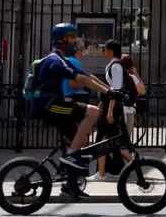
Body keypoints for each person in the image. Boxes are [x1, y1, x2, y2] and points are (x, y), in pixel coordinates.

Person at [30, 24, 110, 194]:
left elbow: (88, 76)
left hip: (55, 104)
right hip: (50, 106)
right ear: (62, 39)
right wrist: (106, 91)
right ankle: (71, 154)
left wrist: (111, 90)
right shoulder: (54, 61)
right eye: (72, 37)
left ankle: (70, 185)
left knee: (81, 140)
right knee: (93, 111)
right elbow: (81, 79)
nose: (76, 41)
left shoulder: (61, 59)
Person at [89, 39, 134, 182]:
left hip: (113, 108)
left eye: (105, 49)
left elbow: (116, 90)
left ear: (111, 51)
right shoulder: (113, 65)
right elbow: (109, 89)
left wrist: (109, 110)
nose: (103, 51)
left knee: (102, 140)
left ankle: (103, 173)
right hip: (110, 106)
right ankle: (118, 169)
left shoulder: (116, 67)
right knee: (111, 141)